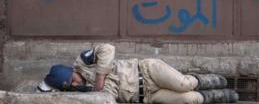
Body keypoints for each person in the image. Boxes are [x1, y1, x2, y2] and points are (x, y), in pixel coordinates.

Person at [38, 43, 239, 104]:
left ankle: (216, 80)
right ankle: (221, 96)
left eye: (72, 80)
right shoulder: (84, 96)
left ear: (72, 71)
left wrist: (100, 76)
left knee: (184, 84)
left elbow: (107, 48)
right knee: (191, 99)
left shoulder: (83, 62)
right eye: (70, 87)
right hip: (147, 96)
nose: (74, 84)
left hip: (148, 71)